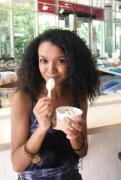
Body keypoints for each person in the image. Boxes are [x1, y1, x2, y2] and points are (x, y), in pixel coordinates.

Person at [11, 29, 100, 180]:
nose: (50, 70)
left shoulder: (78, 97)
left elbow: (82, 152)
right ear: (36, 60)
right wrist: (42, 128)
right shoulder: (24, 98)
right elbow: (17, 165)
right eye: (44, 60)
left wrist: (74, 136)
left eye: (61, 61)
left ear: (74, 62)